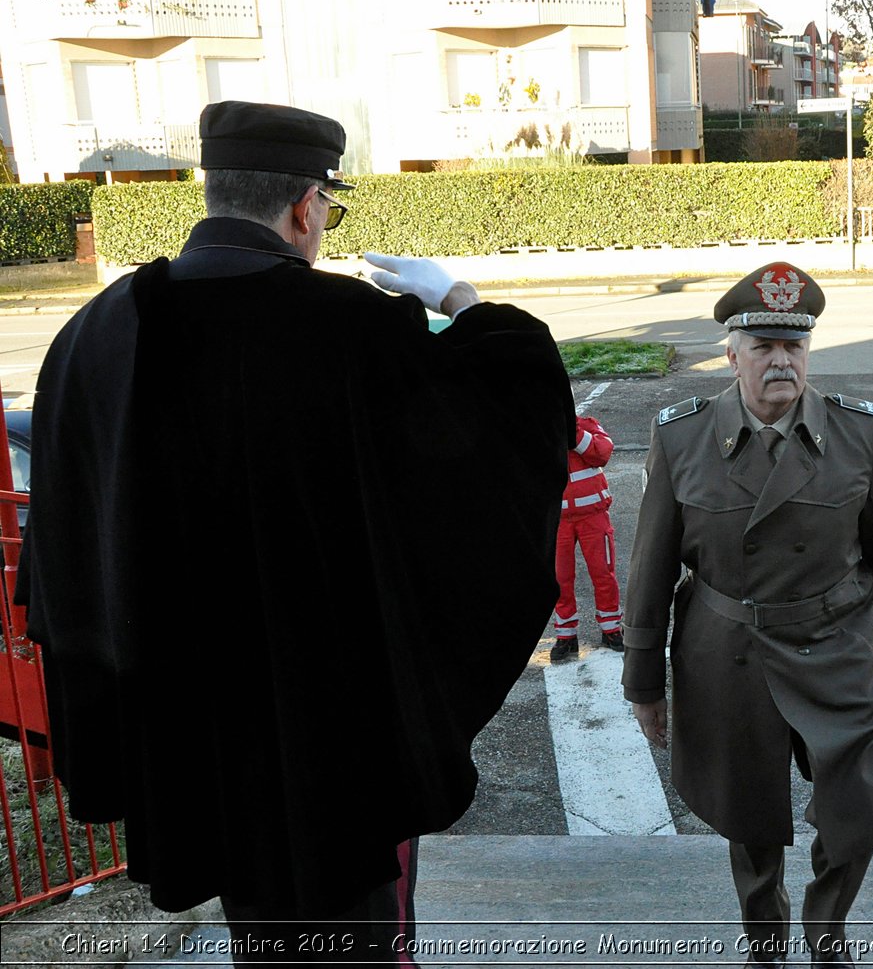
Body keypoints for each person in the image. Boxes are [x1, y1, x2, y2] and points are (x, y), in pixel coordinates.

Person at [19, 101, 574, 962]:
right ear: (307, 206)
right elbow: (513, 418)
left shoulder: (98, 331)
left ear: (215, 191)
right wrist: (461, 300)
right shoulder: (353, 328)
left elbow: (63, 545)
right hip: (332, 757)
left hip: (189, 745)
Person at [622, 262, 873, 968]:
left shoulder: (856, 431)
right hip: (731, 650)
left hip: (837, 643)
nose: (782, 360)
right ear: (731, 354)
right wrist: (643, 683)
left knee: (860, 809)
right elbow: (651, 568)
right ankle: (764, 942)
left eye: (795, 345)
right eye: (764, 347)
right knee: (749, 815)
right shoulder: (682, 438)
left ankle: (827, 932)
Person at [549, 414, 622, 662]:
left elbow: (603, 453)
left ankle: (611, 629)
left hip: (594, 517)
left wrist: (575, 435)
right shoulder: (540, 430)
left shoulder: (586, 425)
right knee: (560, 579)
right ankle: (566, 635)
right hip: (558, 521)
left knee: (603, 572)